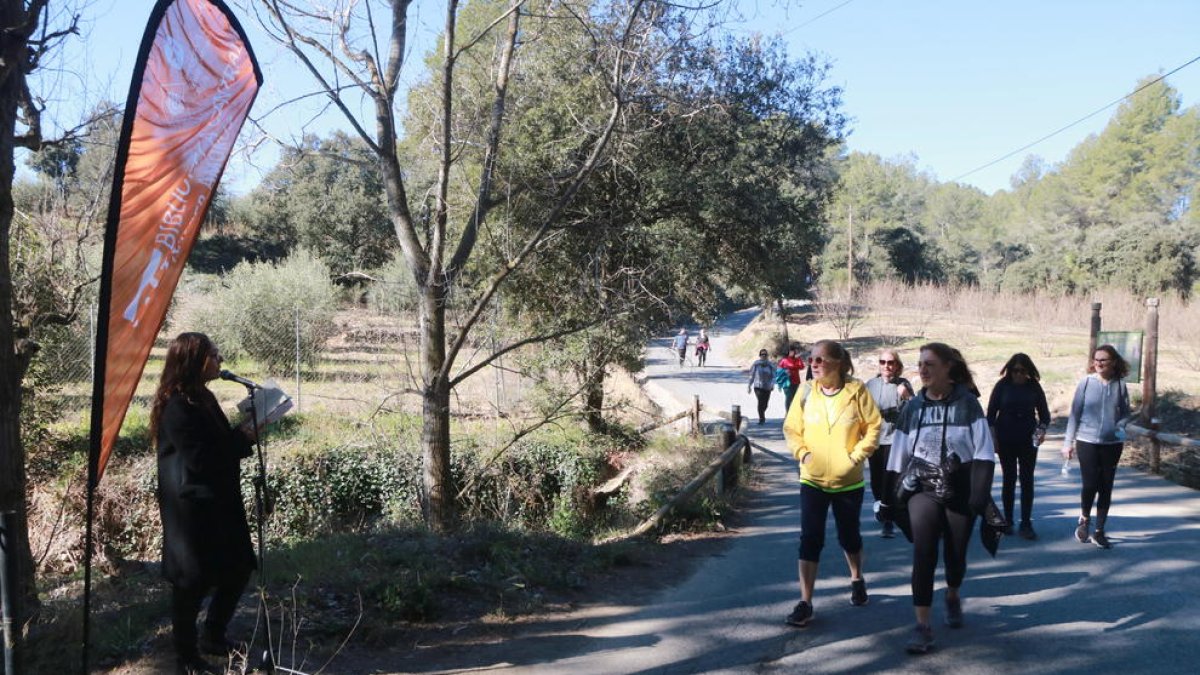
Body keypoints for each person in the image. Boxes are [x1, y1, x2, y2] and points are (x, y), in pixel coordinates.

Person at [150, 333, 261, 674]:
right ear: (194, 360)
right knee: (191, 583)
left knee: (239, 567)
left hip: (218, 501)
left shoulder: (203, 397)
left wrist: (244, 433)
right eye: (215, 354)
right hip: (192, 509)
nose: (221, 360)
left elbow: (217, 446)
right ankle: (186, 658)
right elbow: (201, 460)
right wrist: (242, 438)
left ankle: (213, 635)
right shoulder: (176, 405)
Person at [883, 342, 996, 654]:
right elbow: (897, 456)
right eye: (920, 364)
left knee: (956, 556)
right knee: (924, 552)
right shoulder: (913, 408)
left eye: (930, 364)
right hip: (923, 489)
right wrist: (887, 499)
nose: (922, 370)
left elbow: (985, 452)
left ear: (948, 368)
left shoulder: (968, 405)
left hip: (959, 491)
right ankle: (922, 626)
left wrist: (979, 494)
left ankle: (952, 595)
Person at [782, 340, 882, 627]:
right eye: (811, 359)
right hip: (812, 478)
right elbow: (791, 428)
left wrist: (856, 457)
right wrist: (803, 454)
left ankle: (857, 578)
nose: (813, 364)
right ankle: (805, 602)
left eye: (820, 360)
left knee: (849, 537)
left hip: (848, 481)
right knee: (810, 539)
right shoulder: (805, 392)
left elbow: (874, 427)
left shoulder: (856, 391)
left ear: (837, 363)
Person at [1062, 344, 1133, 549]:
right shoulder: (1086, 383)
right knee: (1090, 484)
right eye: (1096, 360)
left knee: (1106, 487)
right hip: (1087, 441)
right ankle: (1084, 520)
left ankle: (1100, 530)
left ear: (1113, 362)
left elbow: (1126, 412)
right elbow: (1074, 414)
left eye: (1103, 360)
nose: (1099, 363)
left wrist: (1120, 425)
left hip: (1112, 443)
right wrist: (1068, 443)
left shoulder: (1120, 384)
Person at [987, 353, 1051, 540]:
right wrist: (993, 438)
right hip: (1005, 437)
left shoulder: (1034, 387)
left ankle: (1026, 522)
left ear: (1029, 371)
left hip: (1027, 439)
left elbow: (1045, 416)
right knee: (1009, 479)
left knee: (1027, 480)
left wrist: (1041, 431)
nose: (1018, 375)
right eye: (1014, 371)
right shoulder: (1002, 386)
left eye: (1022, 371)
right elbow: (990, 414)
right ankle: (1008, 520)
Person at [865, 350, 914, 538]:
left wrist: (907, 396)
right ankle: (881, 507)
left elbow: (915, 408)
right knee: (876, 479)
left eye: (891, 362)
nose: (887, 366)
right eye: (883, 362)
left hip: (895, 439)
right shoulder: (871, 384)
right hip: (875, 438)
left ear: (897, 365)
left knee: (891, 479)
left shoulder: (903, 384)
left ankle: (888, 519)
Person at [747, 349, 777, 424]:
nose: (763, 356)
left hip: (767, 387)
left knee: (765, 404)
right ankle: (761, 418)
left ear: (767, 356)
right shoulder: (756, 364)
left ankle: (762, 413)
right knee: (760, 402)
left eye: (765, 355)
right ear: (760, 356)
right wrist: (749, 385)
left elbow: (774, 376)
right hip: (758, 386)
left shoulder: (770, 365)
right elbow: (752, 375)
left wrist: (772, 384)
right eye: (762, 354)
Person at [779, 344, 807, 412]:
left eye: (794, 351)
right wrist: (785, 371)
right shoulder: (784, 360)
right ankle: (788, 412)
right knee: (788, 397)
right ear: (788, 352)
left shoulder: (797, 360)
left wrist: (797, 363)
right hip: (786, 381)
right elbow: (779, 371)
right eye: (791, 351)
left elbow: (802, 367)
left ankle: (793, 413)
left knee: (794, 398)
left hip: (796, 381)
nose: (793, 352)